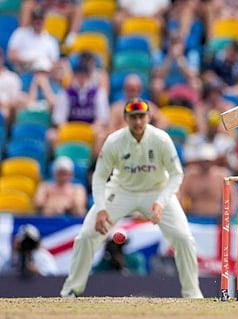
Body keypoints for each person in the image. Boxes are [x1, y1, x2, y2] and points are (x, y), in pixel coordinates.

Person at [60, 98, 203, 298]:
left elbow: (177, 174)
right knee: (86, 237)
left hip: (156, 191)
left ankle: (192, 294)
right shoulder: (114, 141)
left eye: (141, 117)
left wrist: (161, 202)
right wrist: (101, 207)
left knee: (183, 238)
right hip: (121, 191)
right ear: (126, 118)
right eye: (133, 117)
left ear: (148, 117)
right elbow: (100, 176)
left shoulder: (161, 139)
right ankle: (71, 290)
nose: (138, 122)